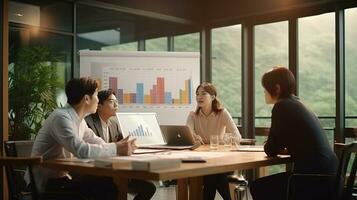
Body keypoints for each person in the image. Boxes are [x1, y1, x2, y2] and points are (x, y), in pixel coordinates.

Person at [28, 77, 146, 200]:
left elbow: (96, 141)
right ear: (86, 99)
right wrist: (116, 148)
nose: (98, 99)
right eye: (96, 95)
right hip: (45, 184)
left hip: (61, 179)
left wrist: (119, 146)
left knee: (107, 185)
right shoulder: (61, 118)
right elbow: (82, 151)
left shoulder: (79, 120)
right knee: (106, 188)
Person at [250, 66, 338, 200]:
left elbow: (271, 150)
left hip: (313, 182)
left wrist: (271, 144)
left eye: (265, 88)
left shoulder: (281, 107)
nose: (264, 92)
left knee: (258, 186)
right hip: (331, 178)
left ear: (277, 88)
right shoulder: (298, 104)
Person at [85, 88, 156, 199]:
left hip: (115, 171)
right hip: (97, 173)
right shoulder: (88, 123)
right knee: (112, 190)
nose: (116, 105)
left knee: (149, 188)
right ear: (99, 105)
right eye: (111, 101)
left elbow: (123, 145)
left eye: (117, 102)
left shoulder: (114, 124)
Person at [186, 82, 242, 200]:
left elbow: (237, 136)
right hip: (200, 161)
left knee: (212, 173)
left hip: (221, 160)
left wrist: (224, 141)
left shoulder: (222, 113)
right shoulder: (192, 115)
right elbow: (188, 134)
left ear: (212, 97)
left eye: (203, 94)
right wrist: (194, 137)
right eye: (197, 94)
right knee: (213, 173)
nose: (199, 97)